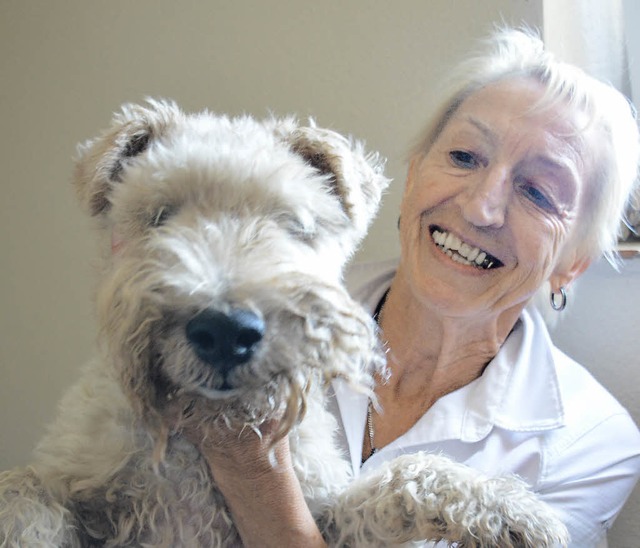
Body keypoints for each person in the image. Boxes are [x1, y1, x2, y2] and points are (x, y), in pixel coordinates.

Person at [176, 27, 640, 546]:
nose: (479, 207)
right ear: (414, 174)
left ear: (573, 262)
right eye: (464, 157)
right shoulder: (251, 313)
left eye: (536, 191)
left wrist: (254, 471)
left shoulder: (593, 443)